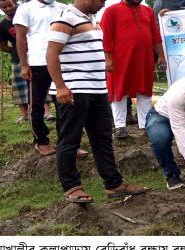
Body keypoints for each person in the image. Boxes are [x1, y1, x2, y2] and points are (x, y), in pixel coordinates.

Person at [46, 0, 147, 203]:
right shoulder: (65, 18)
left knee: (103, 139)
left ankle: (113, 184)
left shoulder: (91, 19)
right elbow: (51, 54)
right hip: (74, 90)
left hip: (98, 89)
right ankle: (72, 187)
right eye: (99, 0)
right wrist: (60, 86)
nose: (102, 3)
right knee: (70, 139)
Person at [101, 0, 166, 138]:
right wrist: (108, 59)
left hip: (144, 59)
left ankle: (145, 125)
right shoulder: (111, 11)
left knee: (145, 91)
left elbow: (155, 36)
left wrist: (160, 55)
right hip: (119, 59)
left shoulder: (148, 10)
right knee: (119, 90)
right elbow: (106, 37)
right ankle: (120, 127)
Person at [13, 0, 65, 155]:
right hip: (37, 62)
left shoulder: (63, 8)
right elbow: (20, 38)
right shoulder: (25, 8)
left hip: (61, 61)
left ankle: (66, 142)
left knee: (64, 104)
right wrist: (24, 64)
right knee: (37, 103)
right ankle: (41, 140)